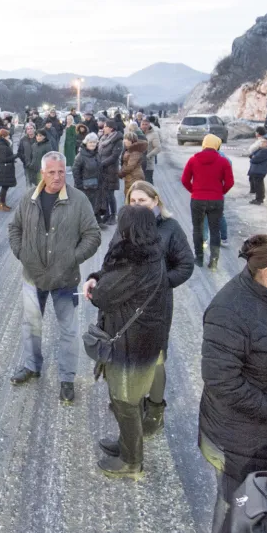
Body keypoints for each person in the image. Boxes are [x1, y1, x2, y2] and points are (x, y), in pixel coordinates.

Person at [199, 234, 267, 533]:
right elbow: (222, 381)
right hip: (237, 438)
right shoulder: (228, 311)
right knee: (235, 507)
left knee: (262, 501)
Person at [81, 205, 171, 479]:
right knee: (126, 398)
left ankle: (131, 461)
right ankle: (125, 445)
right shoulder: (151, 255)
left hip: (130, 344)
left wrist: (95, 284)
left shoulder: (133, 264)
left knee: (124, 401)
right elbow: (110, 278)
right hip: (144, 339)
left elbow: (103, 296)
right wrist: (97, 276)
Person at [98, 180, 193, 437]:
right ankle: (131, 400)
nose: (138, 205)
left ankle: (155, 409)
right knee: (127, 353)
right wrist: (99, 278)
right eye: (133, 201)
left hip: (155, 306)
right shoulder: (125, 226)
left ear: (156, 201)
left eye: (143, 200)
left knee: (156, 359)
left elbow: (186, 265)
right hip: (125, 305)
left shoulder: (170, 228)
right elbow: (114, 262)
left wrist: (160, 285)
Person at [8, 151, 102, 403]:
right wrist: (21, 252)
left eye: (61, 171)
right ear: (43, 173)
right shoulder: (29, 198)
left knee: (69, 331)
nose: (57, 176)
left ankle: (67, 378)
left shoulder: (78, 200)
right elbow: (14, 228)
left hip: (65, 278)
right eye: (52, 172)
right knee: (31, 325)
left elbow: (93, 235)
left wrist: (72, 257)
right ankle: (32, 366)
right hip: (33, 276)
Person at [181, 134, 234, 269]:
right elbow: (230, 182)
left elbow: (184, 180)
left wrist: (194, 191)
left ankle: (199, 258)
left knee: (197, 229)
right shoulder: (223, 162)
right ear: (217, 145)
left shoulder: (193, 160)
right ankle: (214, 260)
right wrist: (220, 192)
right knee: (215, 230)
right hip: (216, 200)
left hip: (197, 200)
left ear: (204, 144)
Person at [97, 121, 124, 226]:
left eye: (105, 127)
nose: (103, 128)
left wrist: (102, 164)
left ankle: (113, 215)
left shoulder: (117, 140)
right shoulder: (103, 138)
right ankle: (107, 214)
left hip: (111, 170)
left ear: (111, 128)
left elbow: (114, 156)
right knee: (103, 194)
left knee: (110, 194)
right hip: (102, 170)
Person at [73, 132, 102, 224]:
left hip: (96, 186)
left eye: (94, 142)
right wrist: (80, 186)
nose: (93, 144)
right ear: (86, 143)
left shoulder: (96, 154)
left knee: (95, 205)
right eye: (90, 142)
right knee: (85, 207)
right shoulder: (80, 156)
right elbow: (76, 172)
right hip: (85, 187)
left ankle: (94, 222)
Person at [0, 129, 18, 211]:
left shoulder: (2, 145)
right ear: (3, 136)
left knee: (5, 187)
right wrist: (15, 156)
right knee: (4, 187)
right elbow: (3, 159)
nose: (9, 137)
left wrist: (12, 158)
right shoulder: (3, 146)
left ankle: (3, 204)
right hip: (4, 169)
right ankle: (1, 204)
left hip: (4, 169)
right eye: (8, 136)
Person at [247, 136, 267, 205]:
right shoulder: (260, 149)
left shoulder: (266, 150)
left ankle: (259, 199)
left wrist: (253, 158)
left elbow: (255, 159)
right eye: (261, 142)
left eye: (263, 142)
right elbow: (251, 155)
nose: (261, 143)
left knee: (259, 185)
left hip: (260, 170)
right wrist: (253, 157)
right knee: (257, 184)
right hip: (257, 170)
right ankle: (259, 198)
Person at [141, 119, 160, 184]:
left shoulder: (154, 134)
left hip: (148, 165)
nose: (144, 126)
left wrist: (148, 156)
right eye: (143, 124)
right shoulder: (138, 134)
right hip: (138, 165)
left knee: (148, 184)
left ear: (149, 125)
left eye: (146, 124)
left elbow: (158, 148)